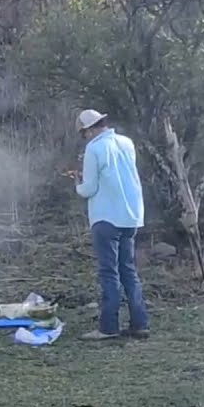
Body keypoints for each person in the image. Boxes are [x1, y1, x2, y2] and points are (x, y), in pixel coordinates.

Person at [68, 109, 151, 341]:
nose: (84, 137)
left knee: (108, 273)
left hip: (106, 218)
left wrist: (77, 182)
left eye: (83, 133)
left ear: (90, 129)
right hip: (131, 216)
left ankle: (108, 327)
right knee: (129, 271)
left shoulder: (94, 148)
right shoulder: (126, 142)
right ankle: (140, 323)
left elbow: (90, 189)